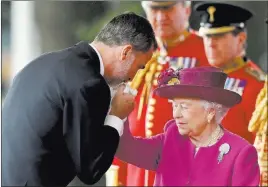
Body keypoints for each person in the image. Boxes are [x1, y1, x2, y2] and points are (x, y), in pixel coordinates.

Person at [2, 12, 157, 186]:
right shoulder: (90, 83)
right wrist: (116, 116)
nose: (133, 77)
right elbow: (91, 169)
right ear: (126, 52)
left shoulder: (41, 63)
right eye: (139, 67)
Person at [111, 1, 210, 186]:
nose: (161, 17)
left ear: (186, 9)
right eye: (154, 9)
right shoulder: (136, 55)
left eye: (168, 8)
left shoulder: (206, 52)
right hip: (138, 177)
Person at [116, 66, 260, 186]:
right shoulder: (170, 140)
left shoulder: (241, 154)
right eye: (174, 106)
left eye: (184, 107)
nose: (176, 114)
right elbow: (125, 148)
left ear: (210, 112)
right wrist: (119, 114)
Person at [194, 2, 266, 144]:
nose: (211, 43)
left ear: (241, 39)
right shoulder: (198, 79)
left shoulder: (258, 87)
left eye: (219, 37)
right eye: (207, 37)